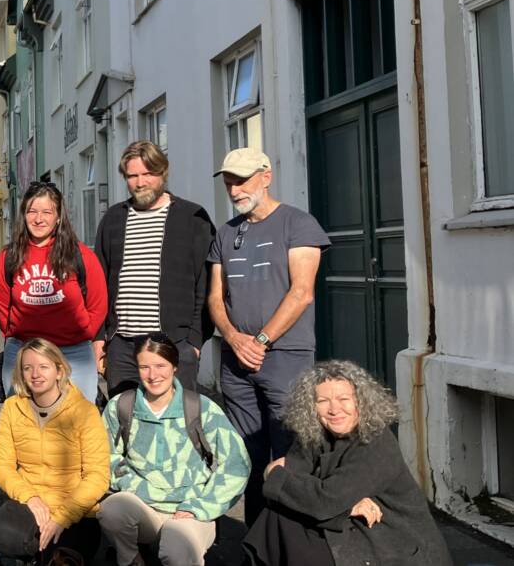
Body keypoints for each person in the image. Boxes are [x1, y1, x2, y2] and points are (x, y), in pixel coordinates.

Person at [206, 148, 330, 523]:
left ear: (266, 176)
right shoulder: (226, 232)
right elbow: (215, 297)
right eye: (229, 183)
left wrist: (260, 341)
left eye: (242, 181)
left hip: (285, 357)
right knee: (246, 457)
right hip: (236, 362)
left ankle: (293, 538)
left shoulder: (298, 223)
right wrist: (232, 338)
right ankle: (257, 540)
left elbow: (302, 292)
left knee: (291, 453)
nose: (235, 190)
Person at [243, 360, 452, 566]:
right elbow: (293, 489)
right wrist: (348, 506)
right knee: (279, 513)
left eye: (344, 399)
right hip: (348, 522)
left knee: (288, 517)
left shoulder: (376, 441)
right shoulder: (314, 434)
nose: (334, 409)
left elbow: (320, 498)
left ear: (361, 401)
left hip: (389, 538)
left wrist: (272, 474)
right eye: (323, 401)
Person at [98, 335, 249, 566]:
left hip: (190, 509)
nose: (153, 375)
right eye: (144, 367)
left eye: (161, 366)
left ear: (174, 366)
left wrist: (202, 506)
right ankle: (131, 560)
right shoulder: (120, 407)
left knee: (176, 550)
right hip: (144, 506)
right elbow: (104, 456)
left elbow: (236, 464)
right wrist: (132, 484)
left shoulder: (201, 408)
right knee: (111, 511)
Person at [93, 141, 214, 396]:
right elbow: (98, 284)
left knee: (177, 418)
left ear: (163, 172)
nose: (140, 183)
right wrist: (100, 338)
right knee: (124, 417)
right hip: (123, 349)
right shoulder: (113, 219)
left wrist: (194, 342)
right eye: (132, 176)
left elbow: (206, 285)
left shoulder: (192, 218)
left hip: (174, 345)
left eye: (148, 174)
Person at [0, 338, 109, 563]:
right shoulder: (12, 408)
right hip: (32, 504)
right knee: (7, 533)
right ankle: (31, 554)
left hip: (75, 510)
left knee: (63, 558)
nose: (35, 374)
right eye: (27, 368)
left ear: (59, 371)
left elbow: (98, 476)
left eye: (43, 367)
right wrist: (30, 497)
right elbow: (0, 466)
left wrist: (62, 516)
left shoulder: (86, 412)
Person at [0, 180, 108, 401]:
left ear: (58, 217)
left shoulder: (81, 255)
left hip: (73, 354)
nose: (39, 219)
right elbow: (1, 307)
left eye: (47, 212)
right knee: (23, 419)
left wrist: (81, 334)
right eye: (32, 211)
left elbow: (98, 304)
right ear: (23, 215)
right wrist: (17, 335)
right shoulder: (8, 258)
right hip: (23, 353)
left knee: (78, 418)